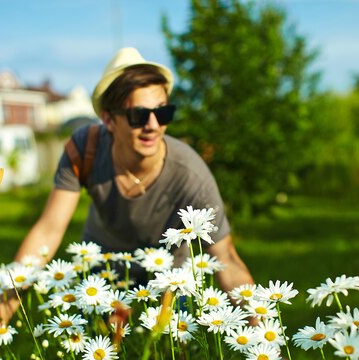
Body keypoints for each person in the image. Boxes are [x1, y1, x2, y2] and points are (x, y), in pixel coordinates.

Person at [14, 47, 255, 293]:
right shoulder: (85, 148)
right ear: (108, 120)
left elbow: (226, 258)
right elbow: (49, 230)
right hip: (102, 275)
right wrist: (2, 306)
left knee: (175, 330)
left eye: (162, 113)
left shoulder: (190, 174)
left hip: (170, 278)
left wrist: (259, 322)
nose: (153, 125)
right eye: (138, 115)